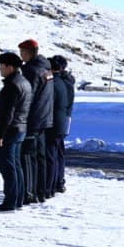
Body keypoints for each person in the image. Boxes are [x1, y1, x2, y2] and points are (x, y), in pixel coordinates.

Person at [0, 52, 32, 212]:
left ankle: (10, 200)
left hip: (10, 130)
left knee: (8, 167)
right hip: (20, 127)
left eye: (1, 66)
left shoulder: (12, 85)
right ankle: (18, 198)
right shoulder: (24, 82)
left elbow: (7, 113)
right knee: (15, 165)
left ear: (9, 67)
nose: (0, 70)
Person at [17, 39, 53, 204]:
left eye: (22, 52)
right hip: (45, 118)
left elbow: (27, 97)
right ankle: (42, 190)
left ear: (29, 52)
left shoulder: (32, 71)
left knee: (28, 157)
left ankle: (29, 192)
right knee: (40, 157)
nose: (20, 55)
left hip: (33, 118)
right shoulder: (46, 69)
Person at [48, 56, 75, 196]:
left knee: (54, 151)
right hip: (65, 117)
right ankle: (59, 180)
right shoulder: (68, 81)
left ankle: (56, 181)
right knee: (59, 151)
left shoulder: (59, 82)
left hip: (58, 118)